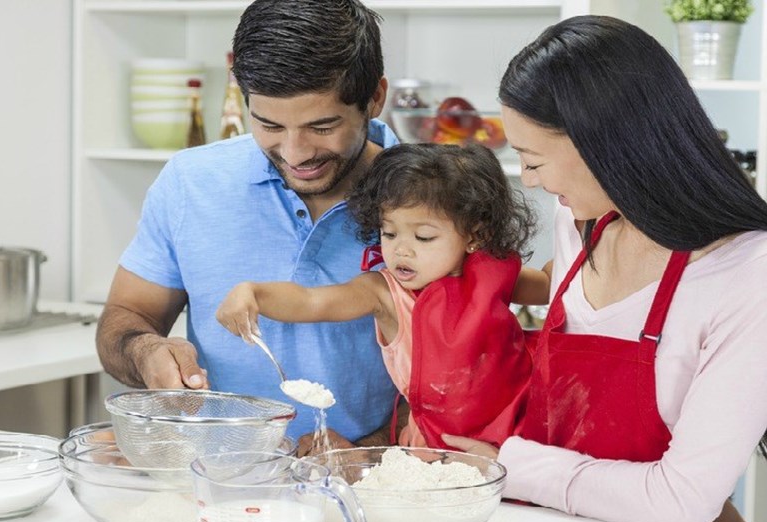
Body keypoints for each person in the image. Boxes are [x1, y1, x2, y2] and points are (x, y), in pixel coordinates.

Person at [443, 15, 767, 522]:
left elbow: (678, 503)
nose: (530, 182)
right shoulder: (577, 221)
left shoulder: (760, 271)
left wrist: (507, 466)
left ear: (608, 144)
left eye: (532, 159)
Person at [95, 0, 401, 446]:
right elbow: (127, 316)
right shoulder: (191, 182)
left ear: (375, 97)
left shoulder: (435, 200)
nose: (295, 153)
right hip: (220, 484)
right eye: (268, 124)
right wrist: (146, 352)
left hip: (384, 490)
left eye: (321, 126)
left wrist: (370, 452)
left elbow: (469, 374)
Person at [216, 143, 550, 449]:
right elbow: (312, 301)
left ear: (475, 235)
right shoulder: (384, 291)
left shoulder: (493, 276)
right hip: (433, 446)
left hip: (514, 431)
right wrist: (254, 293)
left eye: (423, 237)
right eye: (389, 233)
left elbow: (554, 284)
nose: (402, 249)